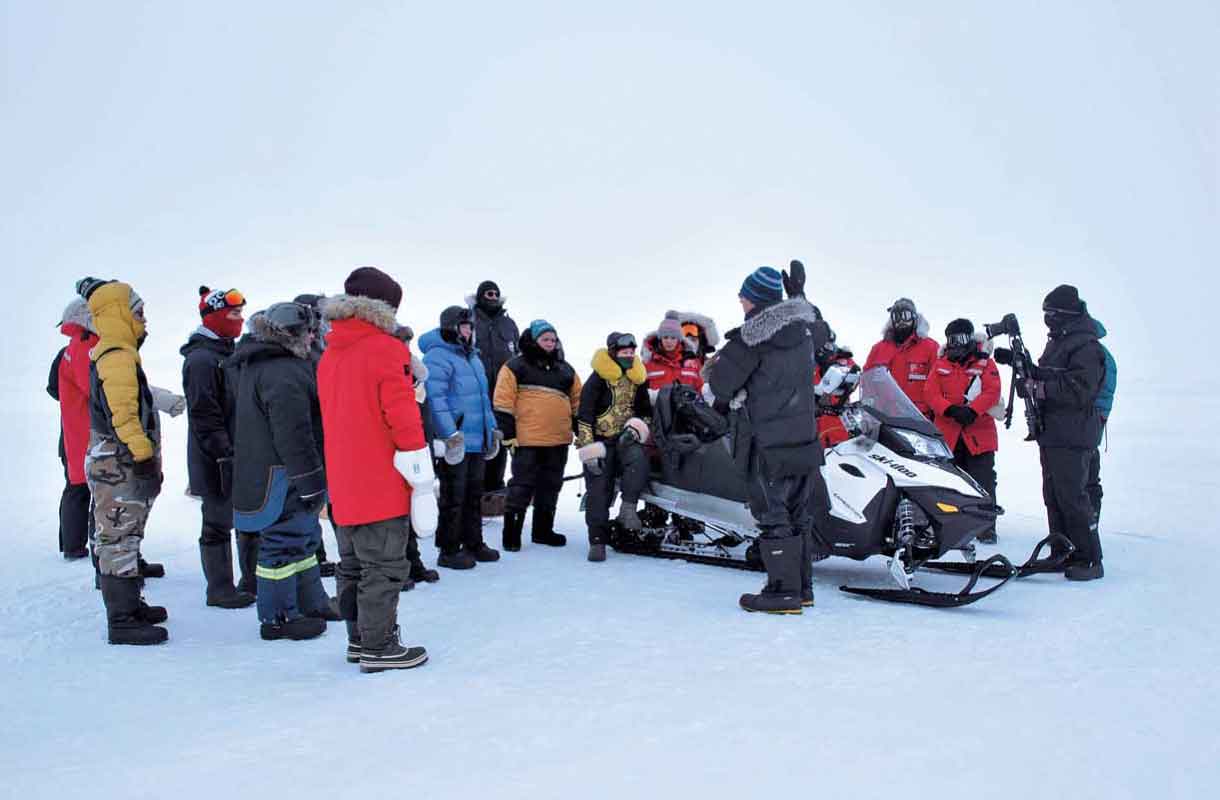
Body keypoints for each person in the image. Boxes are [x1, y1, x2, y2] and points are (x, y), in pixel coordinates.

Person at [318, 266, 432, 672]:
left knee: (352, 563)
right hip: (381, 476)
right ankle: (380, 646)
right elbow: (400, 415)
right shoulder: (386, 349)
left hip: (344, 479)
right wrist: (420, 466)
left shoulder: (331, 352)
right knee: (384, 564)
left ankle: (358, 640)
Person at [707, 266, 821, 614]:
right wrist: (799, 298)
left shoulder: (750, 339)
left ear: (753, 299)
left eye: (743, 296)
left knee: (773, 513)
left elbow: (720, 385)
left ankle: (781, 593)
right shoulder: (803, 330)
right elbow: (823, 331)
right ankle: (802, 590)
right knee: (799, 513)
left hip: (766, 440)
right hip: (803, 436)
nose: (739, 301)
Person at [230, 301, 336, 641]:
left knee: (302, 540)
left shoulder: (267, 363)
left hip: (277, 472)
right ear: (291, 333)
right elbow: (293, 434)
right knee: (281, 544)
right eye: (308, 332)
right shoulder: (283, 371)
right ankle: (277, 618)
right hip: (281, 476)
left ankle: (310, 601)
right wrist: (310, 481)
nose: (313, 338)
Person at [78, 277, 169, 645]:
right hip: (119, 464)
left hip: (117, 463)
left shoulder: (118, 354)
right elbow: (125, 416)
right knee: (117, 536)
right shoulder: (116, 357)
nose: (145, 320)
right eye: (139, 312)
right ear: (119, 314)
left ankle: (131, 605)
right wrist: (143, 454)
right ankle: (122, 619)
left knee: (127, 535)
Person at [999, 284, 1107, 581]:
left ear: (1065, 314)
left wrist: (1038, 388)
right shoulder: (1061, 341)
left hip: (1073, 435)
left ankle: (1089, 558)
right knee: (1054, 495)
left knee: (1073, 496)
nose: (1047, 319)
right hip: (1054, 433)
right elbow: (1053, 374)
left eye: (1051, 314)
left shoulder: (1086, 346)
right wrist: (1025, 368)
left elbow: (1080, 390)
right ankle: (1062, 549)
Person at [181, 286, 256, 609]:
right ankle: (220, 588)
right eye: (233, 314)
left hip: (239, 452)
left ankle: (251, 580)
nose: (240, 320)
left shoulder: (229, 354)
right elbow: (203, 412)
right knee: (216, 522)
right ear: (214, 317)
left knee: (249, 518)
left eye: (241, 314)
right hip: (214, 457)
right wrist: (224, 451)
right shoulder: (201, 360)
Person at [421, 305, 502, 569]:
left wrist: (492, 432)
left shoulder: (472, 358)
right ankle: (448, 548)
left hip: (476, 440)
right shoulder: (438, 357)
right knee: (453, 496)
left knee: (473, 494)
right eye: (465, 326)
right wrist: (449, 435)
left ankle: (473, 542)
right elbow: (435, 400)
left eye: (471, 327)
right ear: (451, 327)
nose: (469, 331)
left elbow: (482, 402)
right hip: (456, 440)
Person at [492, 319, 582, 551]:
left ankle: (543, 532)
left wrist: (581, 433)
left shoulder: (566, 370)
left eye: (553, 339)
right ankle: (511, 536)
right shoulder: (515, 366)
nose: (550, 343)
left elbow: (577, 404)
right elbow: (503, 402)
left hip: (558, 440)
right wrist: (508, 435)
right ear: (534, 340)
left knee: (551, 486)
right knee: (522, 486)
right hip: (527, 440)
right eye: (545, 339)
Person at [925, 319, 1003, 543]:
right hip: (948, 435)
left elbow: (992, 391)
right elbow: (930, 392)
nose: (956, 344)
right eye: (952, 340)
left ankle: (986, 527)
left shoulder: (985, 363)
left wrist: (973, 411)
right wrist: (948, 409)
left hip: (979, 435)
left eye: (961, 339)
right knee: (950, 482)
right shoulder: (940, 364)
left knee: (983, 480)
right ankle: (953, 525)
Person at [577, 332, 652, 562]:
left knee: (639, 463)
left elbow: (645, 412)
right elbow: (584, 414)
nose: (629, 356)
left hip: (627, 438)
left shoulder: (638, 379)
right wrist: (588, 449)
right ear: (613, 353)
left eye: (632, 352)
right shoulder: (597, 379)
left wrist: (636, 429)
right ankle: (597, 540)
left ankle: (627, 509)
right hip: (600, 441)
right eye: (624, 353)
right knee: (599, 489)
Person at [292, 292, 337, 579]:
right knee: (311, 499)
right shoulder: (302, 354)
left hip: (328, 432)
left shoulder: (325, 348)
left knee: (332, 499)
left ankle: (327, 553)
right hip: (312, 434)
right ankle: (314, 555)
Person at [51, 298, 97, 561]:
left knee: (75, 486)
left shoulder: (67, 351)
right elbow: (90, 389)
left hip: (71, 428)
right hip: (82, 429)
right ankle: (77, 545)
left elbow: (53, 388)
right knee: (83, 487)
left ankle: (71, 544)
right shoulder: (82, 348)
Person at [469, 280, 519, 508]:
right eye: (488, 293)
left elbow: (517, 356)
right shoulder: (468, 320)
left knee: (499, 439)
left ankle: (494, 492)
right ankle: (474, 492)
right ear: (479, 296)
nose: (492, 296)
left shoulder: (509, 325)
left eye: (496, 293)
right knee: (477, 442)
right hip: (474, 393)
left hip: (503, 394)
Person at [863, 297, 940, 418]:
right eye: (896, 317)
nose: (901, 321)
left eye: (906, 316)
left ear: (915, 318)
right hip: (884, 416)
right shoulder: (878, 349)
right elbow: (867, 383)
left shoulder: (931, 347)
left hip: (917, 416)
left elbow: (938, 384)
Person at [1086, 311, 1117, 533]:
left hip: (1090, 420)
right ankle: (1091, 519)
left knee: (1088, 477)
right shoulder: (1102, 354)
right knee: (1090, 475)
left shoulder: (1097, 356)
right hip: (1094, 420)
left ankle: (1090, 520)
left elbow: (1099, 390)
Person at [642, 314, 704, 397]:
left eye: (673, 338)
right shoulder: (647, 364)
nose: (669, 341)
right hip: (657, 409)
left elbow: (702, 392)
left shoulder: (693, 363)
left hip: (688, 409)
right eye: (665, 337)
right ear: (660, 339)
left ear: (679, 340)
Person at [813, 341, 861, 448]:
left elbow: (855, 372)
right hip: (817, 419)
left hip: (839, 415)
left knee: (842, 447)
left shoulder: (841, 361)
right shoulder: (812, 368)